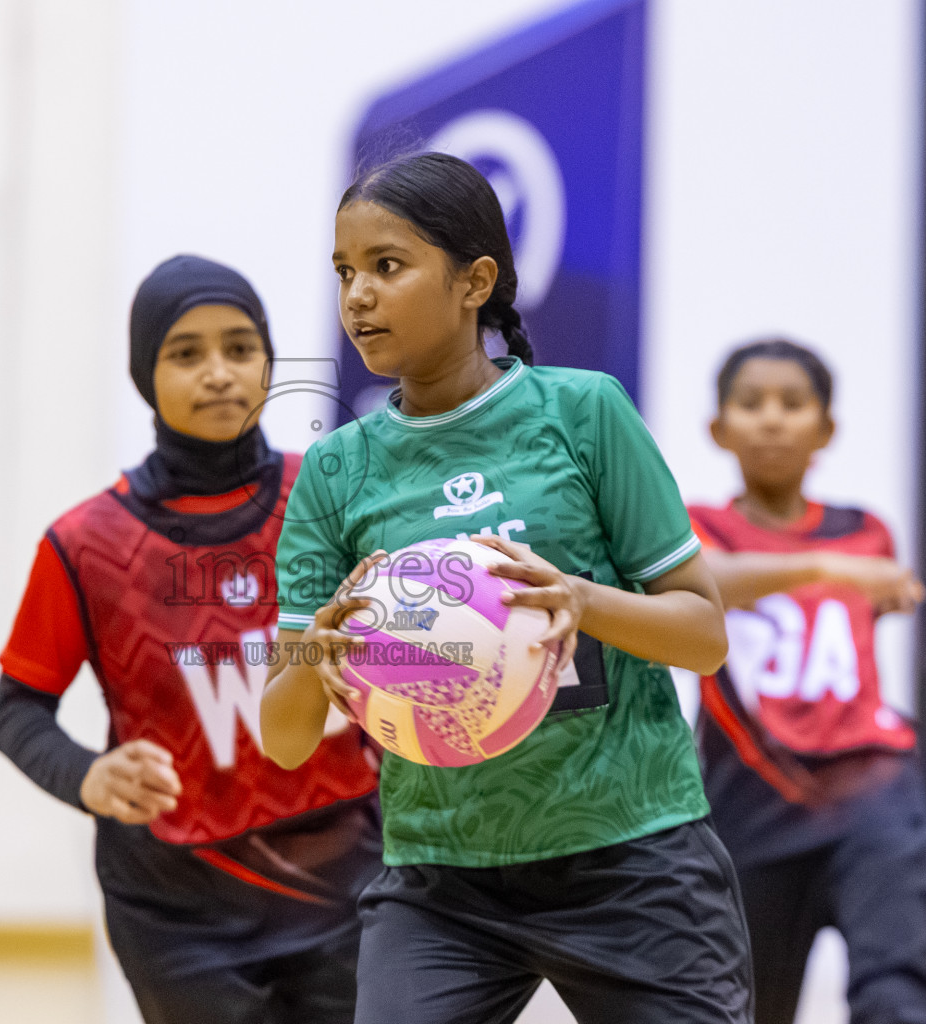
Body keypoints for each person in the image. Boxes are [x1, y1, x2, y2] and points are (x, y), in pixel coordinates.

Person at [259, 152, 753, 1024]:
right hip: (443, 882)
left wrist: (586, 601)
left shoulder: (585, 413)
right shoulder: (335, 470)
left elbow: (705, 634)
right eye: (344, 273)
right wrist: (316, 656)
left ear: (474, 280)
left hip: (632, 854)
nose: (358, 296)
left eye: (387, 265)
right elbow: (285, 738)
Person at [0, 255, 382, 1024]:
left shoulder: (337, 498)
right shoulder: (87, 544)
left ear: (269, 361)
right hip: (177, 912)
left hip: (348, 884)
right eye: (185, 353)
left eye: (240, 348)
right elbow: (15, 709)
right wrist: (86, 774)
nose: (218, 374)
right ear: (145, 373)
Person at [688, 338, 926, 1024]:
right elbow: (705, 583)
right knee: (743, 1006)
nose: (772, 420)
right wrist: (825, 569)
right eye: (751, 404)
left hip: (872, 791)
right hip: (748, 801)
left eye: (793, 404)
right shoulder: (697, 529)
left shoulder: (866, 531)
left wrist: (850, 574)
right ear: (719, 428)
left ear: (825, 429)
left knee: (896, 988)